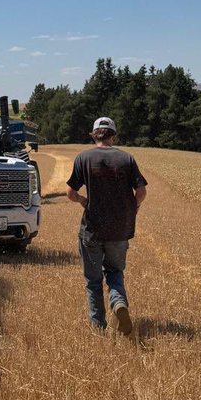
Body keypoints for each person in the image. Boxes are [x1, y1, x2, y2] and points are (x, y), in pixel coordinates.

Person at [66, 117, 147, 335]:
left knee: (93, 281)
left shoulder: (83, 158)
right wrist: (134, 207)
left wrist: (84, 201)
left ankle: (98, 328)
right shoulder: (126, 158)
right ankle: (119, 302)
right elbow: (141, 192)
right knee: (115, 272)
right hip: (120, 229)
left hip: (92, 229)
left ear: (94, 135)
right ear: (113, 136)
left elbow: (71, 194)